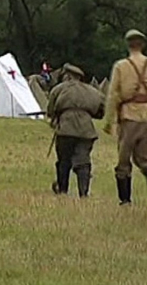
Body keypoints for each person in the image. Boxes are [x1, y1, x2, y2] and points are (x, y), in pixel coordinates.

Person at [103, 29, 147, 205]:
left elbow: (113, 95)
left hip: (129, 117)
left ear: (128, 45)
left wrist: (108, 120)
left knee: (124, 161)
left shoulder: (121, 66)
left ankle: (125, 201)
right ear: (143, 44)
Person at [47, 63, 105, 197]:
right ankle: (84, 193)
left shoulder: (59, 89)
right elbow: (101, 112)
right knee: (83, 161)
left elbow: (51, 110)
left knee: (63, 160)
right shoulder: (92, 91)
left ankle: (62, 191)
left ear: (67, 75)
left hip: (65, 129)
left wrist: (56, 118)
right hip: (86, 130)